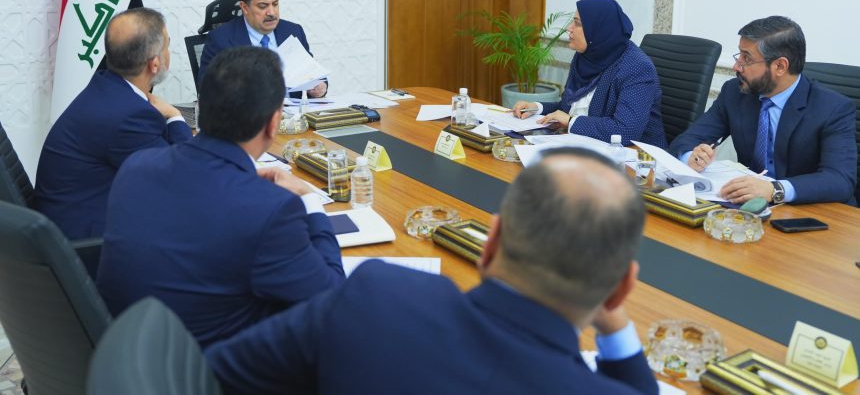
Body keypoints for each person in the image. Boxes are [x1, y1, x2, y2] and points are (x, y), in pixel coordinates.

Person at [205, 147, 658, 395]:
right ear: (621, 290)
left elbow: (208, 376)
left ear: (490, 242)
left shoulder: (375, 294)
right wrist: (613, 318)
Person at [96, 47, 345, 347]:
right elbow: (332, 301)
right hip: (208, 367)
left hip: (126, 354)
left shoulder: (136, 167)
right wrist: (310, 201)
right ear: (273, 123)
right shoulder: (271, 210)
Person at [33, 8, 192, 240]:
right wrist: (175, 116)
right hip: (87, 243)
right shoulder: (129, 116)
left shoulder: (106, 87)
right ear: (155, 63)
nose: (170, 50)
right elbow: (183, 179)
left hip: (71, 218)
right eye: (168, 44)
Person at [670, 16, 857, 206]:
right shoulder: (734, 92)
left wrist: (776, 189)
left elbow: (840, 179)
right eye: (739, 55)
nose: (736, 66)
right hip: (749, 208)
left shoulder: (833, 109)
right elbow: (687, 140)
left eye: (746, 58)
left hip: (812, 210)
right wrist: (691, 157)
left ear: (780, 66)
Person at [513, 0, 667, 148]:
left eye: (577, 23)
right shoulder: (585, 57)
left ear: (600, 29)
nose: (569, 28)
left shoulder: (636, 67)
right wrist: (536, 108)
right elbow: (569, 107)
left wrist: (571, 121)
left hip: (637, 156)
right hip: (587, 145)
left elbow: (625, 131)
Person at [198, 0, 327, 97]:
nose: (272, 12)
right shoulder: (221, 39)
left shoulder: (292, 31)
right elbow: (206, 89)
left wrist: (319, 86)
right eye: (263, 6)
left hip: (293, 110)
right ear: (244, 8)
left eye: (275, 4)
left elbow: (312, 72)